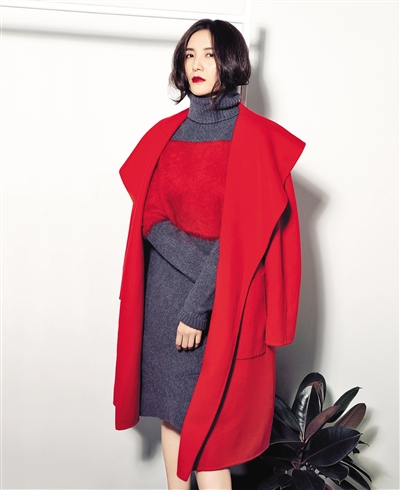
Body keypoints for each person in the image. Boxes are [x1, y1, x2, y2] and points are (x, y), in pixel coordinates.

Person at [114, 19, 305, 490]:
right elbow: (151, 220)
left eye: (210, 55)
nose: (197, 65)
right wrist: (212, 270)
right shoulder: (164, 135)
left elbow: (245, 238)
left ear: (231, 61)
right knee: (174, 416)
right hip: (165, 303)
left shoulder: (256, 139)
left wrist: (198, 305)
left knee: (209, 436)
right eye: (189, 55)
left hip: (220, 308)